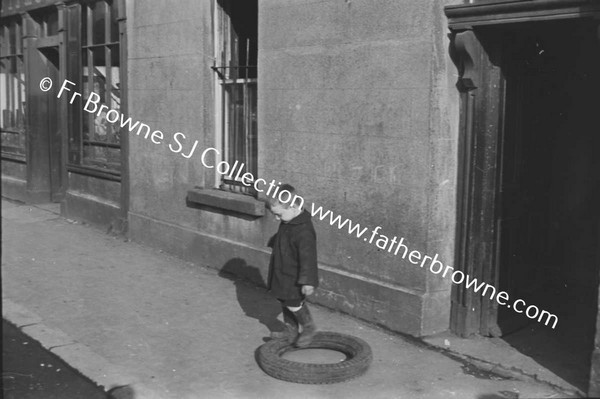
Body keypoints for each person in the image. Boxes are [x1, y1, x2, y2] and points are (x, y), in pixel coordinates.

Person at [266, 183, 318, 347]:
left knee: (293, 303)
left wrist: (308, 281)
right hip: (283, 272)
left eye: (279, 215)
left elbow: (308, 258)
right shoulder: (289, 220)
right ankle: (291, 330)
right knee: (284, 301)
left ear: (294, 207)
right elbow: (286, 237)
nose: (277, 219)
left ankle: (309, 327)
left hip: (295, 277)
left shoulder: (304, 231)